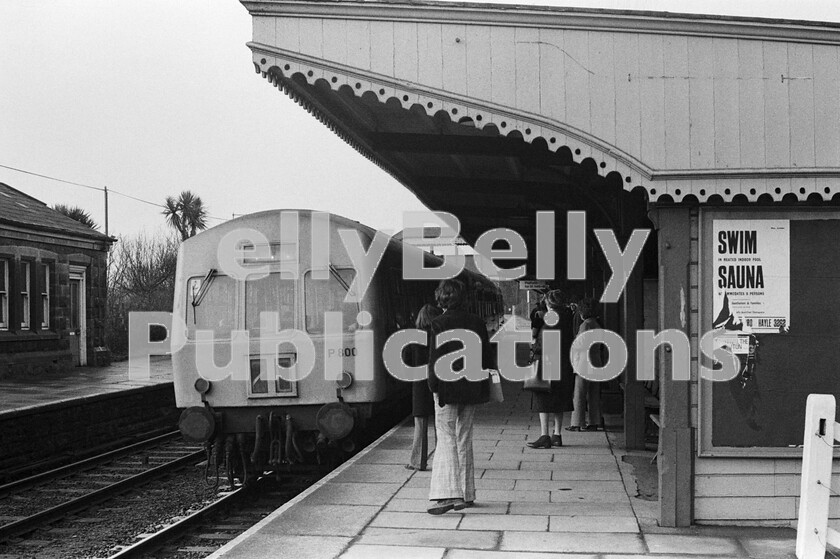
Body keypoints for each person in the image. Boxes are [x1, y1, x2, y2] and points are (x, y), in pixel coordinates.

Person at [427, 279, 493, 515]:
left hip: (447, 389)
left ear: (441, 299)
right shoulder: (477, 322)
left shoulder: (438, 323)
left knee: (446, 437)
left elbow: (435, 360)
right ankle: (467, 492)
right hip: (472, 388)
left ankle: (448, 494)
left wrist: (433, 386)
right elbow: (487, 356)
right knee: (465, 437)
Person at [526, 289, 575, 449]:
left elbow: (544, 345)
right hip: (564, 366)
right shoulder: (568, 319)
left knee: (543, 400)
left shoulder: (551, 321)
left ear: (549, 303)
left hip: (547, 365)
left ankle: (544, 435)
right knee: (559, 400)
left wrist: (534, 345)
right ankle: (557, 435)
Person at [406, 303, 441, 471]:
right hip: (438, 383)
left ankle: (417, 461)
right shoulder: (439, 336)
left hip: (420, 386)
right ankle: (441, 461)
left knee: (420, 425)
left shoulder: (414, 338)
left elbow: (406, 361)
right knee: (440, 426)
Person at [567, 297, 604, 432]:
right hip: (596, 361)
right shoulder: (597, 324)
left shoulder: (585, 325)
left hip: (584, 362)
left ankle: (576, 423)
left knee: (579, 393)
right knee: (594, 393)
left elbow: (580, 344)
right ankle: (594, 421)